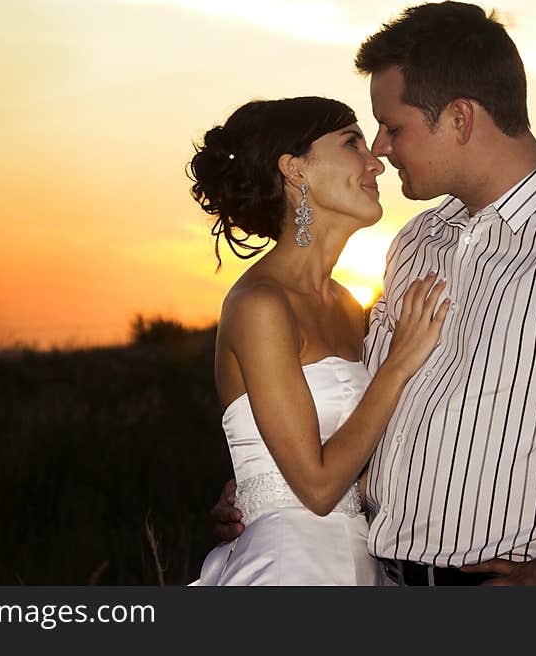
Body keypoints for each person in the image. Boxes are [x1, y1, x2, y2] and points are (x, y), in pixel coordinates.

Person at [212, 2, 536, 585]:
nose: (381, 148)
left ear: (459, 119)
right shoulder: (416, 243)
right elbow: (370, 425)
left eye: (393, 127)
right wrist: (268, 489)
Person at [188, 96, 451, 585]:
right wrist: (397, 365)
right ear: (294, 171)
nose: (376, 161)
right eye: (352, 143)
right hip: (290, 566)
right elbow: (318, 486)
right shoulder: (259, 305)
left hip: (361, 561)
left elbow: (365, 451)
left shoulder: (349, 305)